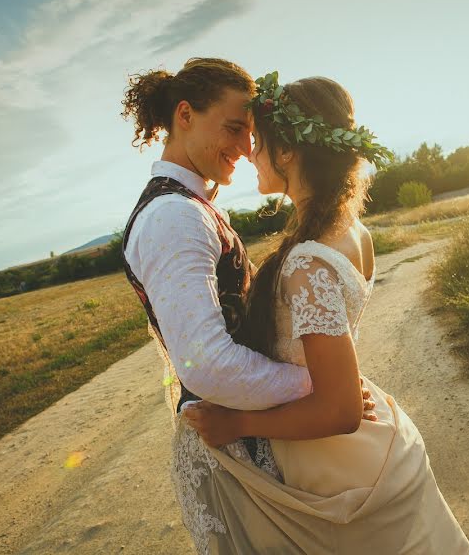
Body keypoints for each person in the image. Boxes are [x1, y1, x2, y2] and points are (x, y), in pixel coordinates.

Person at [179, 72, 469, 554]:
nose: (251, 153)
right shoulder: (352, 229)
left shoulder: (307, 261)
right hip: (366, 444)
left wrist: (237, 425)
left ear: (289, 151)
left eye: (260, 144)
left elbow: (338, 410)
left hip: (331, 461)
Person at [118, 58, 377, 536]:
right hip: (238, 448)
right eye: (234, 129)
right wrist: (322, 388)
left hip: (266, 438)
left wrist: (330, 389)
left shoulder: (192, 206)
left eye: (251, 134)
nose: (244, 147)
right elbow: (206, 364)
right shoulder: (172, 216)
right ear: (185, 115)